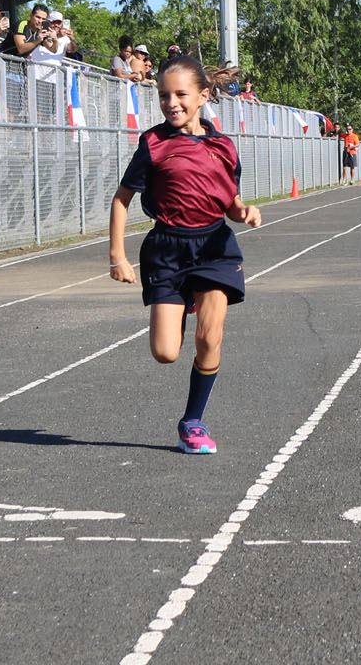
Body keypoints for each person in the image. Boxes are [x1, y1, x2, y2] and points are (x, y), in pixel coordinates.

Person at [108, 57, 262, 455]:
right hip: (167, 251)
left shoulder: (223, 147)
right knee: (165, 353)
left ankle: (192, 421)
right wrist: (117, 256)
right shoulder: (154, 143)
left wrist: (244, 212)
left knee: (210, 336)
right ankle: (183, 300)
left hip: (214, 248)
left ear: (202, 97)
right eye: (163, 96)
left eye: (180, 95)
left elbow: (230, 201)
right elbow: (122, 199)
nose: (171, 103)